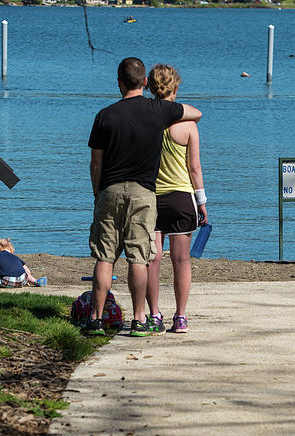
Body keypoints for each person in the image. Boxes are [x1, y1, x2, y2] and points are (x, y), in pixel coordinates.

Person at [86, 57, 202, 337]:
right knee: (139, 258)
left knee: (105, 257)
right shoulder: (158, 111)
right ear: (145, 82)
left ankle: (95, 319)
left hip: (110, 190)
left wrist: (97, 192)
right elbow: (196, 113)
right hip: (144, 193)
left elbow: (96, 164)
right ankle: (140, 318)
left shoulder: (105, 115)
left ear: (118, 82)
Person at [144, 64, 208, 334]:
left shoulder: (145, 119)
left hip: (151, 198)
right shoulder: (189, 125)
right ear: (176, 87)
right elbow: (194, 168)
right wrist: (202, 201)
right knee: (181, 261)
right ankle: (180, 317)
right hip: (182, 197)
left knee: (152, 259)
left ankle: (154, 314)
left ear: (149, 87)